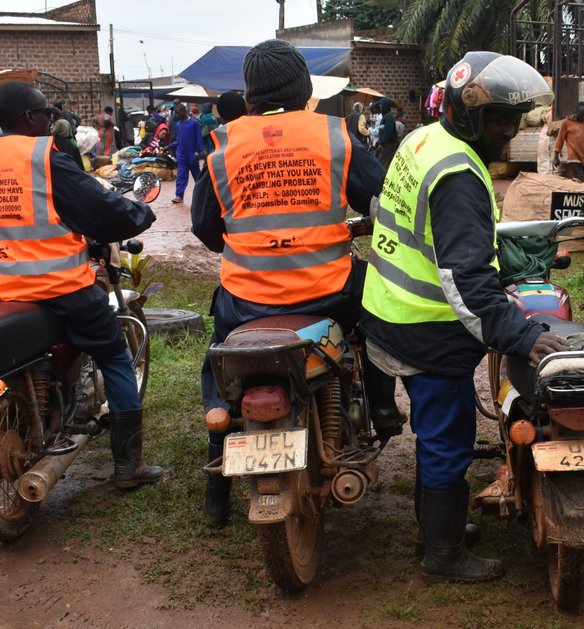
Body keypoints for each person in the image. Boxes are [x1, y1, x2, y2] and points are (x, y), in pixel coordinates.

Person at [361, 51, 568, 583]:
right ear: (468, 113)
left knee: (437, 433)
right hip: (426, 328)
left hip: (388, 309)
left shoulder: (423, 139)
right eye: (497, 120)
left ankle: (435, 530)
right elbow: (466, 280)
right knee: (447, 438)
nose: (508, 132)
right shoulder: (458, 172)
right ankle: (444, 553)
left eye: (513, 120)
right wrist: (522, 336)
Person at [190, 40, 395, 529]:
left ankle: (217, 492)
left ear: (250, 96)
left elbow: (204, 228)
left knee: (219, 364)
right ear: (306, 91)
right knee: (379, 312)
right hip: (331, 291)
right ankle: (385, 407)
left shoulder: (223, 144)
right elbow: (381, 198)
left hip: (246, 300)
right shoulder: (335, 135)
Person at [0, 81, 162, 488]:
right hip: (55, 286)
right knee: (115, 358)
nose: (52, 119)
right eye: (47, 112)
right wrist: (138, 213)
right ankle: (129, 466)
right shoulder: (42, 158)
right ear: (28, 117)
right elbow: (97, 207)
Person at [171, 104, 201, 203]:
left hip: (192, 154)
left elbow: (199, 139)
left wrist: (197, 152)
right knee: (182, 174)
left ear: (183, 112)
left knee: (197, 175)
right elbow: (179, 140)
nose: (176, 115)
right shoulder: (179, 124)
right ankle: (179, 195)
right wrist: (169, 146)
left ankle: (202, 193)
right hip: (181, 154)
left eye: (177, 113)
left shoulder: (194, 123)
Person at [376, 98, 400, 168]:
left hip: (388, 144)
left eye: (382, 107)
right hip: (386, 144)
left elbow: (388, 131)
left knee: (382, 164)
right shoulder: (386, 116)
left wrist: (382, 143)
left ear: (385, 107)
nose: (380, 109)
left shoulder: (388, 117)